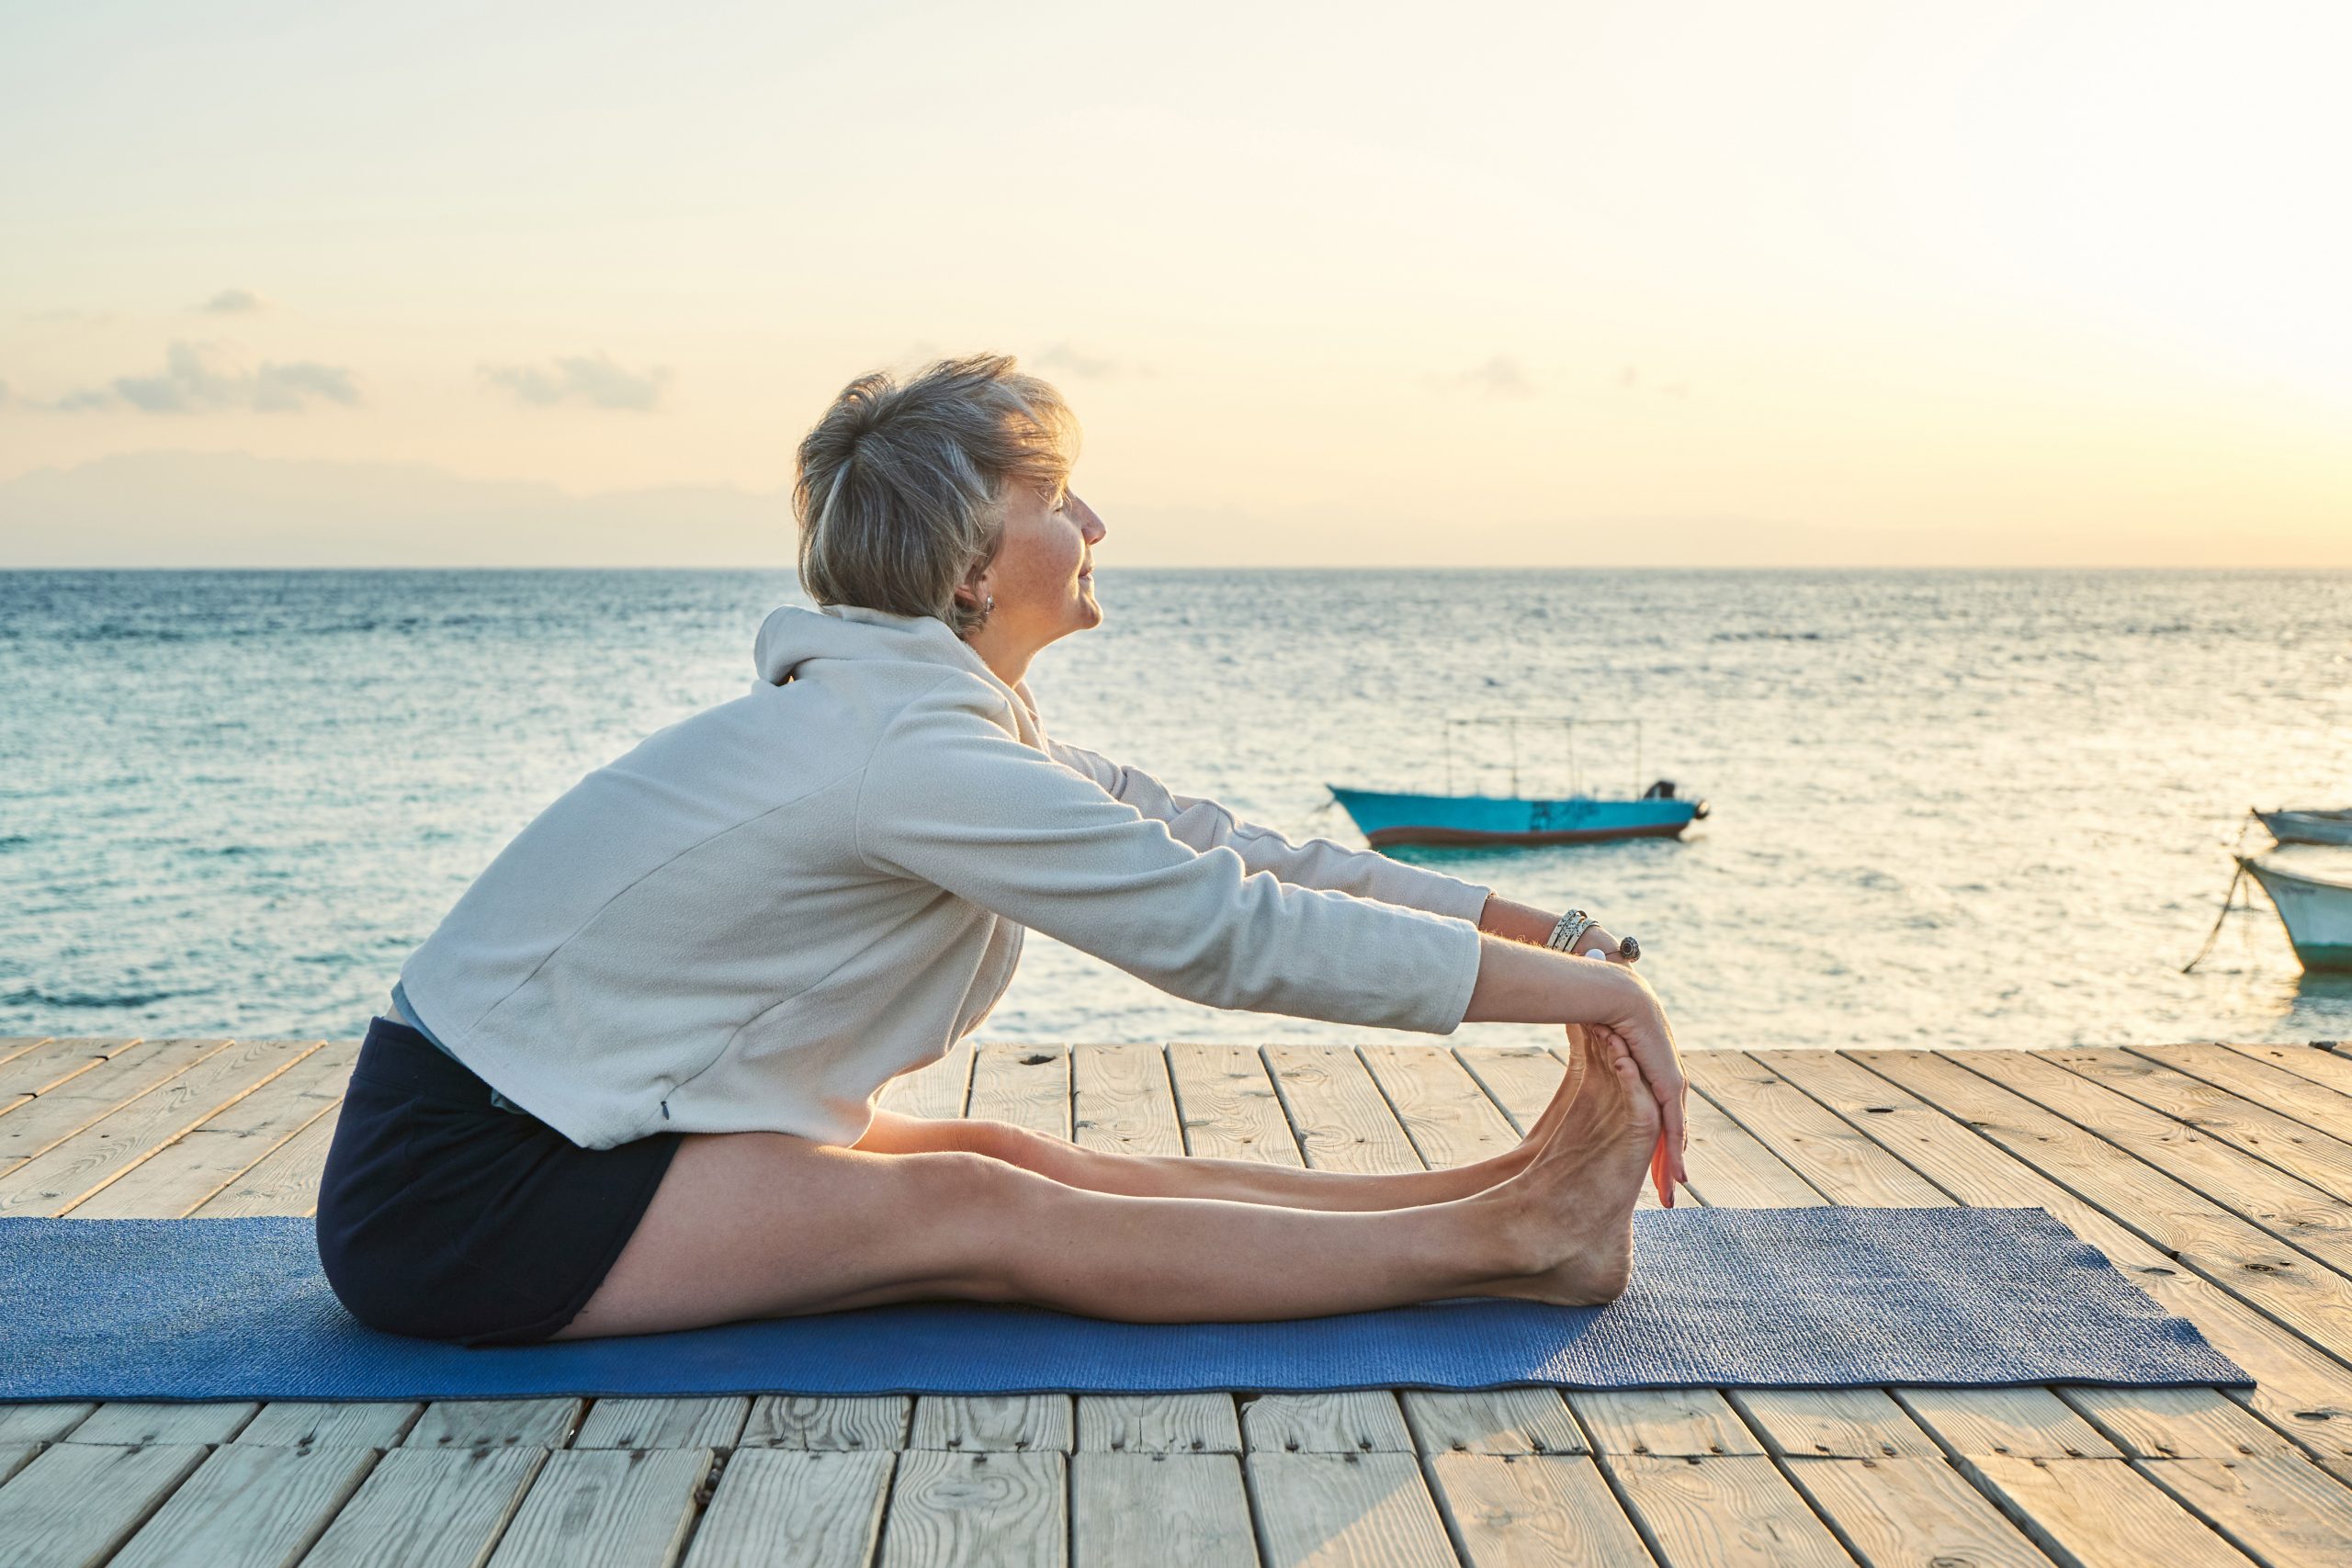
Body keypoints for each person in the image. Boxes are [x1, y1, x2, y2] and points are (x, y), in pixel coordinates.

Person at [313, 355, 1690, 1346]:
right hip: (469, 1190)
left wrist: (1558, 939)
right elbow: (1221, 931)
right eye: (1062, 498)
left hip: (566, 1131)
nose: (1096, 527)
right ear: (973, 558)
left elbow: (1228, 850)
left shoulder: (929, 722)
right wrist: (1602, 999)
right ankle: (1516, 1241)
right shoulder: (908, 752)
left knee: (998, 1150)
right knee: (974, 1206)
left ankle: (1502, 1200)